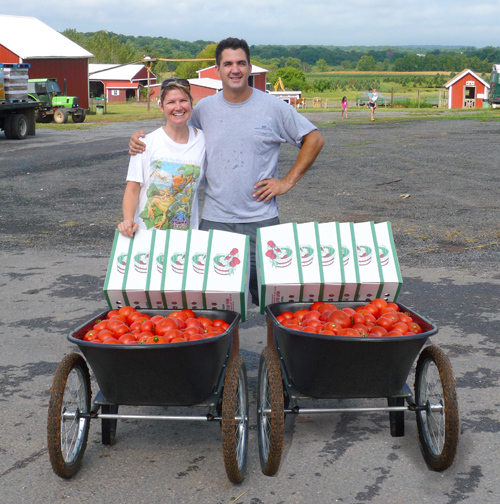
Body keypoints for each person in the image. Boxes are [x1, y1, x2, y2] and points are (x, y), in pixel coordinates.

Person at [129, 38, 324, 305]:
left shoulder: (273, 107)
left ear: (250, 67)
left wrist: (286, 182)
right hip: (215, 219)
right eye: (228, 63)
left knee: (272, 293)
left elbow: (313, 139)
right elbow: (176, 133)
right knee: (221, 294)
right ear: (218, 69)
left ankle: (270, 347)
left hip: (261, 218)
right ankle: (230, 349)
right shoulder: (205, 110)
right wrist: (140, 140)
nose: (235, 69)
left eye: (241, 63)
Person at [118, 79, 205, 237]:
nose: (178, 107)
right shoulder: (145, 143)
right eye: (171, 102)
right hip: (146, 238)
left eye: (183, 101)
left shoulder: (203, 141)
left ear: (191, 103)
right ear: (161, 106)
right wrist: (128, 220)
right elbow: (132, 189)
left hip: (186, 239)